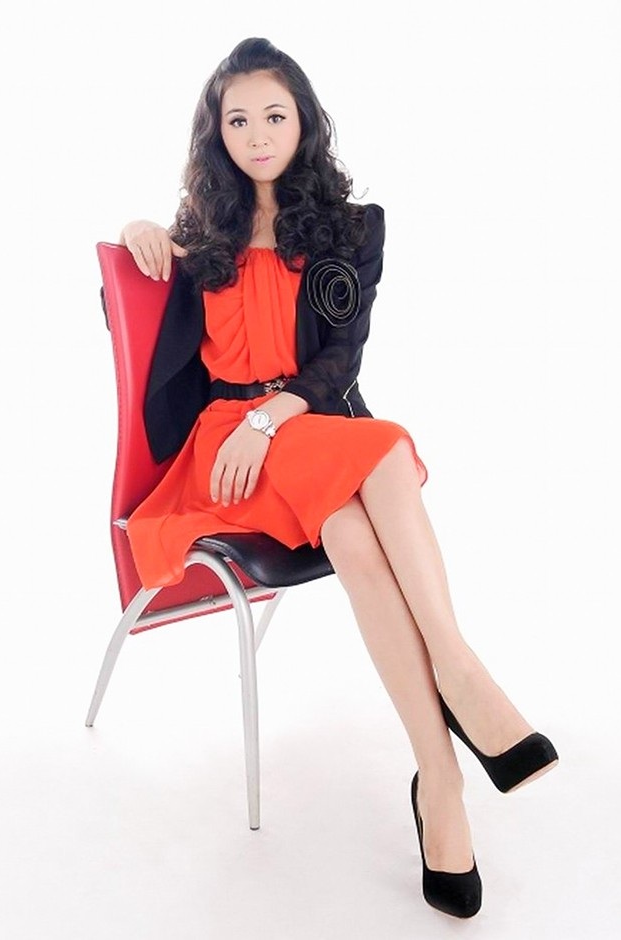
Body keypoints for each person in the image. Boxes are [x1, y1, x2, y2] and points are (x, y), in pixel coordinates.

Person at [117, 36, 558, 919]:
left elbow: (341, 358)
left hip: (299, 429)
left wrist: (274, 416)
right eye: (237, 120)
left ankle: (438, 779)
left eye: (274, 116)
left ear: (305, 123)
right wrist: (139, 233)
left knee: (357, 534)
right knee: (387, 446)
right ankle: (460, 675)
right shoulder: (201, 235)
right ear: (216, 134)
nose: (257, 135)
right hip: (227, 452)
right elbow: (145, 296)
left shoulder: (351, 229)